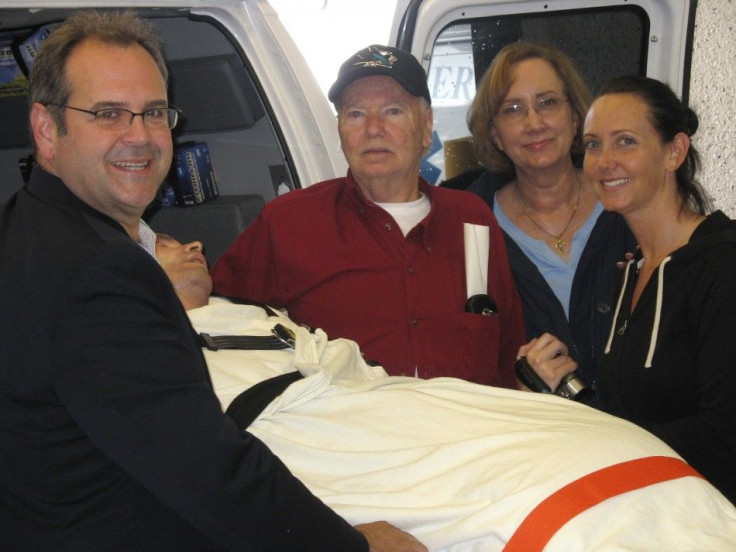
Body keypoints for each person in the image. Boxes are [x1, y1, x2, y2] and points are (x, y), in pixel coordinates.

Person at [0, 11, 426, 551]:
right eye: (108, 114)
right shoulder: (98, 270)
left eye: (153, 112)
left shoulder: (24, 227)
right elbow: (207, 469)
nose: (140, 137)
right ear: (46, 129)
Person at [157, 234, 736, 551]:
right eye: (160, 243)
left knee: (593, 442)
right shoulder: (146, 348)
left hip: (398, 397)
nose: (191, 244)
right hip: (321, 426)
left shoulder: (252, 314)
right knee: (512, 495)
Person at [212, 44, 526, 386]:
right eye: (356, 114)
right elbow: (219, 321)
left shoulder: (471, 220)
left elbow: (508, 351)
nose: (373, 129)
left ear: (426, 126)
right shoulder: (288, 223)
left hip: (474, 433)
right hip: (346, 436)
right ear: (340, 131)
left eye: (392, 111)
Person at [581, 74, 736, 504]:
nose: (604, 161)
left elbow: (725, 434)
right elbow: (635, 405)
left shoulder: (723, 264)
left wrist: (597, 443)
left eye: (625, 141)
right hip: (649, 510)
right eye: (593, 144)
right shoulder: (631, 270)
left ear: (674, 152)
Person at [464, 42, 636, 399]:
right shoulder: (470, 227)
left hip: (647, 431)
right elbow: (466, 365)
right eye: (512, 110)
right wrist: (517, 385)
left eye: (548, 103)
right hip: (541, 438)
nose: (534, 123)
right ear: (494, 134)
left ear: (576, 116)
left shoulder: (629, 203)